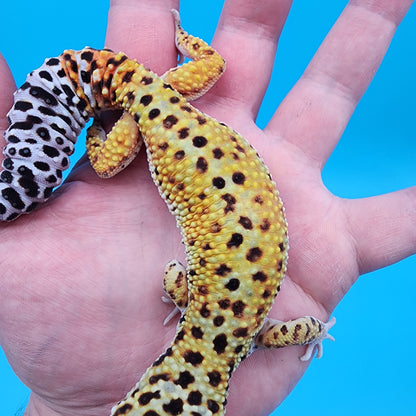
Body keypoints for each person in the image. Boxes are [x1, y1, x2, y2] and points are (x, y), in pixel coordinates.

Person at [0, 1, 414, 415]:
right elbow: (173, 277)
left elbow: (301, 329)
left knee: (210, 65)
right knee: (105, 164)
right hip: (160, 123)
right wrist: (94, 139)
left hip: (181, 125)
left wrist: (317, 332)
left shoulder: (263, 336)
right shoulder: (193, 300)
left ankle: (178, 48)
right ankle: (96, 129)